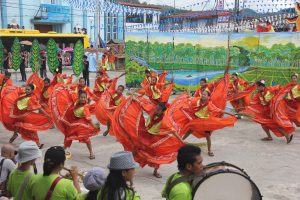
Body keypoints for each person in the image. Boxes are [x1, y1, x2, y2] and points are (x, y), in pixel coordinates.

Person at [181, 90, 237, 156]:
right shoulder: (198, 100)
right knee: (189, 130)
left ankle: (209, 150)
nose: (203, 95)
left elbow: (218, 110)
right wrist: (187, 98)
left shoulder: (209, 104)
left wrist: (230, 113)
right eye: (202, 94)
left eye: (205, 95)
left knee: (207, 136)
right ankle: (180, 141)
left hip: (205, 121)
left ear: (208, 97)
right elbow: (190, 102)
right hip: (196, 120)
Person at [50, 88, 100, 159]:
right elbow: (71, 93)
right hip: (72, 123)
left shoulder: (85, 107)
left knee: (86, 138)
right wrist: (66, 88)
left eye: (84, 97)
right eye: (81, 97)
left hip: (81, 125)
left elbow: (88, 117)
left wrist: (94, 124)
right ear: (78, 98)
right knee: (68, 137)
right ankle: (64, 150)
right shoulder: (76, 102)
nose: (83, 99)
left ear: (86, 98)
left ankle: (91, 152)